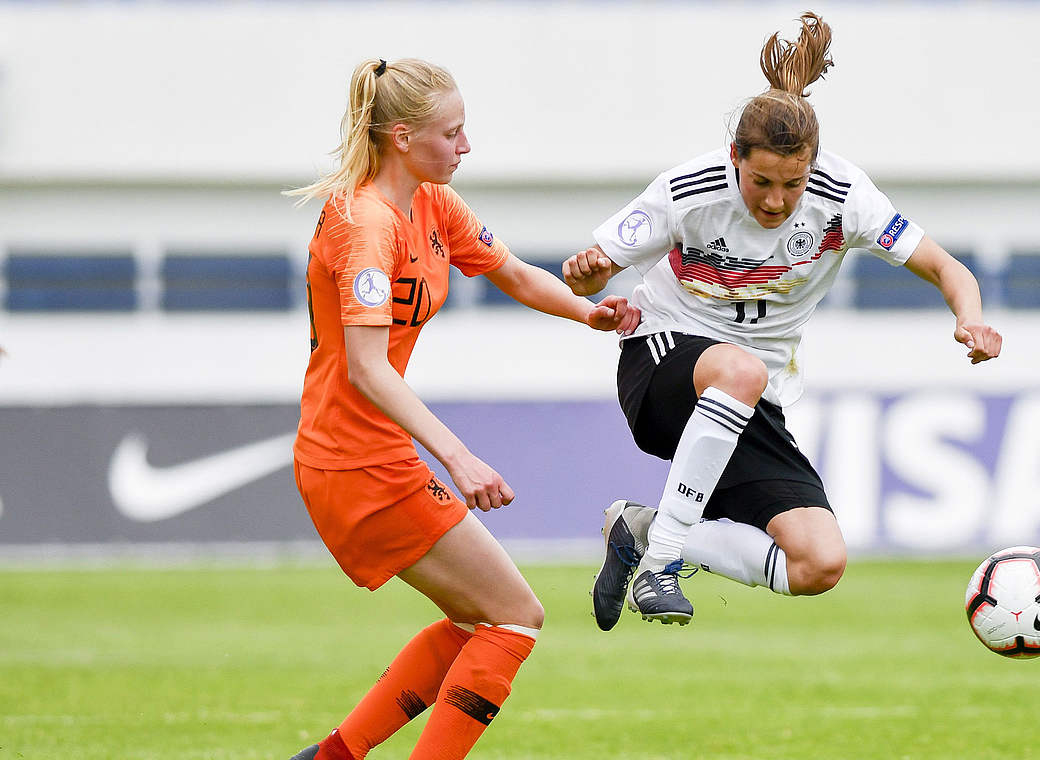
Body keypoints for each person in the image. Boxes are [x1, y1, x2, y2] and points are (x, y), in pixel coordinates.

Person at [563, 12, 1002, 629]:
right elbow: (589, 276)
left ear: (813, 165)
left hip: (745, 398)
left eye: (793, 184)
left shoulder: (846, 197)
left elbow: (947, 268)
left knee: (818, 562)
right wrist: (587, 277)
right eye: (761, 181)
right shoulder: (687, 190)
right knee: (739, 369)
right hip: (661, 362)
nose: (775, 200)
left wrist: (971, 320)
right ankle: (660, 566)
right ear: (734, 158)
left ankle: (642, 530)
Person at [283, 58, 639, 760]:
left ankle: (329, 758)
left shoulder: (432, 203)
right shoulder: (366, 225)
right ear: (403, 137)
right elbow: (365, 368)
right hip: (352, 461)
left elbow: (513, 274)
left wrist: (588, 313)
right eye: (452, 133)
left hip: (369, 455)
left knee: (484, 620)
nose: (466, 146)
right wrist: (458, 455)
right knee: (514, 617)